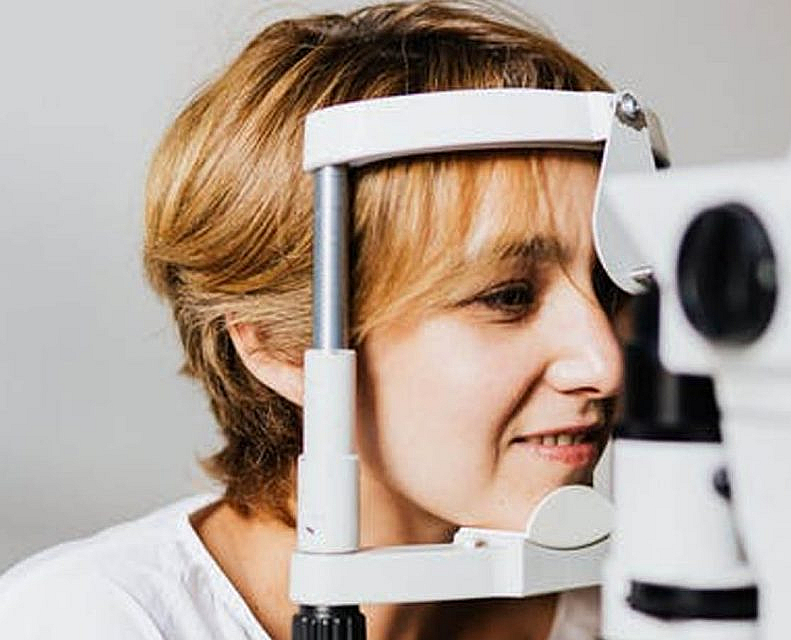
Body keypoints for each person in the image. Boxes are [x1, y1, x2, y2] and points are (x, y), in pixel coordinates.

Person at [0, 2, 627, 638]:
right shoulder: (87, 621)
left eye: (609, 285)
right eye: (508, 297)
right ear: (281, 342)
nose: (605, 362)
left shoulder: (633, 615)